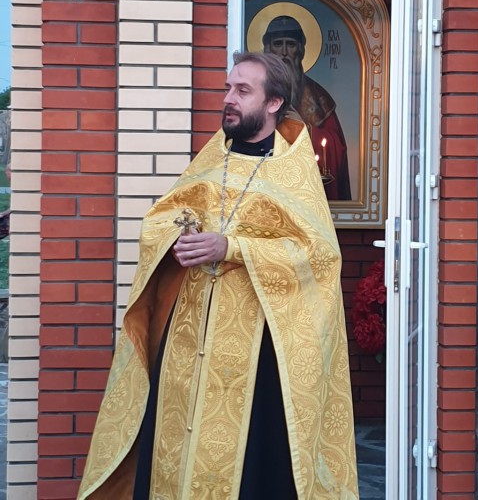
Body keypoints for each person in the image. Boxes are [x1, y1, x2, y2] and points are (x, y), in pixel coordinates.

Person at [78, 52, 358, 499]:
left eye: (242, 91)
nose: (228, 98)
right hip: (188, 341)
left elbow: (318, 255)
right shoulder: (212, 159)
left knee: (253, 470)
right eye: (228, 88)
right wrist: (176, 237)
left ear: (273, 103)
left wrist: (232, 247)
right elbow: (160, 220)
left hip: (258, 351)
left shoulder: (292, 169)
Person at [263, 15, 352, 201]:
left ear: (301, 50)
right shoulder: (258, 91)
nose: (284, 52)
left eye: (291, 44)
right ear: (268, 49)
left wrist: (305, 128)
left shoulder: (318, 96)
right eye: (278, 44)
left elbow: (336, 148)